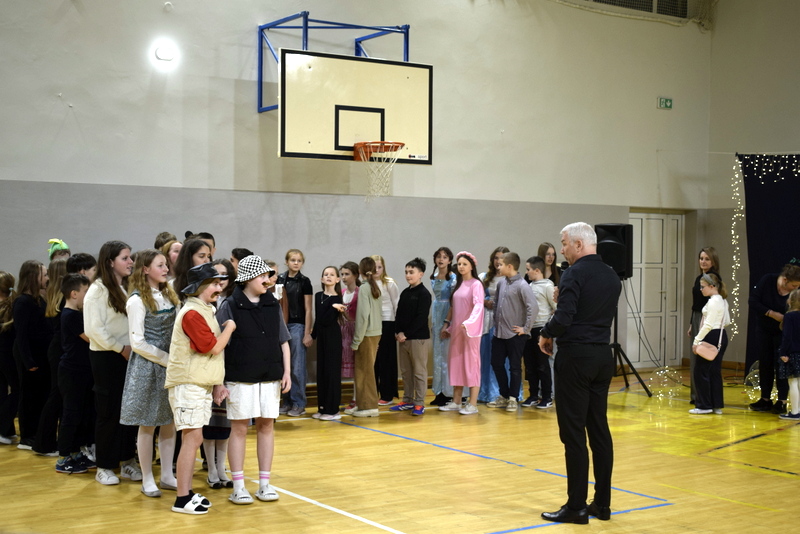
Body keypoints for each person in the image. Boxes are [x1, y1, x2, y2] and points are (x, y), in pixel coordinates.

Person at [538, 222, 621, 524]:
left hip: (576, 358)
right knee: (599, 430)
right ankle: (602, 504)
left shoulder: (574, 273)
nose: (561, 250)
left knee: (573, 434)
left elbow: (565, 318)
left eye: (564, 243)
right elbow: (590, 311)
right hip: (602, 356)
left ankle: (576, 507)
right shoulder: (612, 275)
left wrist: (546, 333)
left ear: (578, 244)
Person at [216, 255, 290, 505]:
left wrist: (287, 372)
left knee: (266, 426)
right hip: (239, 377)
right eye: (263, 276)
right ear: (248, 278)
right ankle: (238, 486)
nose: (268, 280)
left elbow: (283, 340)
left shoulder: (273, 304)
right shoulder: (229, 305)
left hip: (270, 376)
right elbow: (220, 346)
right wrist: (219, 381)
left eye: (269, 276)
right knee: (238, 428)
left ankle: (264, 484)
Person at [165, 263, 235, 514]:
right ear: (199, 287)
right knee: (192, 438)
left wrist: (217, 383)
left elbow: (208, 353)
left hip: (199, 383)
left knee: (193, 438)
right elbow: (213, 347)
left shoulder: (204, 309)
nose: (219, 287)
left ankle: (186, 492)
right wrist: (230, 327)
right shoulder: (191, 313)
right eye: (214, 283)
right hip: (188, 384)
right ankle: (181, 498)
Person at [120, 249, 179, 497]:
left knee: (169, 421)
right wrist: (167, 359)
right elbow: (138, 343)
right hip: (148, 366)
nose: (166, 269)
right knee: (148, 424)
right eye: (160, 265)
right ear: (145, 269)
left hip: (170, 367)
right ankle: (147, 478)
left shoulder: (169, 294)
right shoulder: (136, 300)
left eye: (166, 265)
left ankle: (166, 475)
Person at [83, 241, 140, 485]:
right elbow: (94, 330)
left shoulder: (124, 287)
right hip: (107, 357)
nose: (130, 262)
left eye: (130, 257)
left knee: (129, 411)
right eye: (125, 258)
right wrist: (120, 348)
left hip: (128, 355)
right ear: (110, 262)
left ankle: (127, 461)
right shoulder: (97, 290)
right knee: (108, 413)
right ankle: (104, 466)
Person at [54, 273, 95, 474]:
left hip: (82, 371)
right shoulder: (70, 315)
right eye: (86, 291)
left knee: (81, 414)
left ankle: (76, 453)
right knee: (71, 415)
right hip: (71, 372)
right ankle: (63, 458)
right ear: (74, 293)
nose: (88, 296)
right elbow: (91, 338)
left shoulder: (77, 314)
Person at [11, 260, 53, 451]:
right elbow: (21, 335)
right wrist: (28, 361)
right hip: (30, 356)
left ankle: (37, 432)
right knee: (29, 396)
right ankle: (27, 436)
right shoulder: (23, 301)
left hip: (41, 355)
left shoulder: (38, 299)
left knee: (39, 396)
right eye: (44, 275)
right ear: (33, 277)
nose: (47, 278)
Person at [748, 263, 800, 414]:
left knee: (782, 365)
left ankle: (782, 401)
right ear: (785, 280)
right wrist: (771, 313)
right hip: (764, 329)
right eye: (794, 285)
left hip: (783, 333)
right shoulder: (768, 280)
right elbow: (753, 301)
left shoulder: (794, 294)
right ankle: (765, 399)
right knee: (765, 363)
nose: (795, 289)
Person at [489, 252, 537, 412]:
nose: (498, 266)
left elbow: (533, 307)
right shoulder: (501, 283)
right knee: (496, 363)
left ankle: (513, 398)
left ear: (509, 266)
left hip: (515, 334)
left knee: (515, 367)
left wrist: (526, 328)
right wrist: (496, 322)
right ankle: (504, 395)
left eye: (501, 264)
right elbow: (496, 303)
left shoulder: (523, 285)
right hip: (499, 333)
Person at [440, 252, 484, 415]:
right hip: (458, 332)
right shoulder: (458, 285)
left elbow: (478, 306)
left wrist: (469, 323)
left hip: (470, 332)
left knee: (471, 365)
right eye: (459, 264)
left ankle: (473, 403)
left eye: (464, 264)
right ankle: (457, 401)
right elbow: (456, 310)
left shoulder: (476, 285)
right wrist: (450, 327)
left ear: (472, 266)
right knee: (456, 364)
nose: (461, 267)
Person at [33, 258, 68, 456]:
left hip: (57, 348)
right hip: (59, 348)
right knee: (56, 396)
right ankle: (44, 443)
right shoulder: (61, 295)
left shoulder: (52, 293)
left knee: (57, 395)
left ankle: (48, 442)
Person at [390, 258, 432, 416]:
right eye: (406, 272)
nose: (408, 275)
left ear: (421, 274)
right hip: (403, 339)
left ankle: (419, 403)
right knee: (406, 372)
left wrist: (406, 333)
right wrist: (398, 332)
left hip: (417, 339)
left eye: (411, 272)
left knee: (419, 372)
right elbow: (399, 315)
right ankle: (407, 400)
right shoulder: (405, 293)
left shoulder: (424, 294)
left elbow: (421, 318)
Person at [276, 249, 313, 417]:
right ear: (286, 262)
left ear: (302, 263)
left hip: (298, 325)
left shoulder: (305, 281)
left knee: (297, 366)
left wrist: (307, 332)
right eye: (293, 260)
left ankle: (299, 403)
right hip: (283, 325)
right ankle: (287, 401)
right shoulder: (279, 279)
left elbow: (308, 309)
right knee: (285, 366)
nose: (296, 263)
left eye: (299, 260)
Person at [346, 257, 383, 418]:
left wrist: (356, 340)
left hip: (366, 335)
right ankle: (362, 404)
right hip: (375, 333)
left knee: (365, 371)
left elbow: (362, 317)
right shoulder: (375, 287)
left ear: (360, 271)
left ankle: (369, 406)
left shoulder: (364, 288)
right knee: (364, 370)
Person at [690, 273, 729, 415]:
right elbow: (727, 321)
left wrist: (696, 341)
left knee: (701, 371)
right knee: (714, 371)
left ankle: (704, 405)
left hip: (711, 335)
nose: (701, 290)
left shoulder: (713, 302)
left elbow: (708, 324)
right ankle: (716, 404)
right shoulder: (722, 300)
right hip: (721, 335)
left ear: (712, 286)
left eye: (703, 287)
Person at [687, 247, 721, 404]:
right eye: (701, 258)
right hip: (697, 316)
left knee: (703, 357)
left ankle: (704, 396)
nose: (703, 261)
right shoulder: (699, 278)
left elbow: (712, 303)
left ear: (713, 261)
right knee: (695, 357)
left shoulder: (713, 278)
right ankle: (697, 395)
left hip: (706, 318)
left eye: (707, 259)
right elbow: (696, 303)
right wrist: (691, 323)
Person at [523, 256, 556, 409]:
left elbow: (556, 308)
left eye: (528, 269)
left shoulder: (548, 286)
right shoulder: (529, 286)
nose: (526, 272)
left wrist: (549, 329)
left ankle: (547, 396)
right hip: (529, 329)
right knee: (530, 365)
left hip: (542, 329)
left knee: (543, 365)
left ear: (537, 270)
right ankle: (533, 395)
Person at [312, 266, 344, 421]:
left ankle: (333, 410)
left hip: (332, 337)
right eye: (326, 274)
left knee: (332, 373)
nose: (328, 276)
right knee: (322, 372)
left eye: (332, 274)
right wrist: (312, 336)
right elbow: (319, 318)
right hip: (322, 338)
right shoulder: (318, 296)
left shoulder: (338, 298)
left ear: (337, 279)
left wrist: (332, 307)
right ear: (322, 279)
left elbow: (326, 320)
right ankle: (323, 407)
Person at [478, 247, 508, 404]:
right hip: (487, 320)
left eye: (502, 258)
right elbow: (475, 297)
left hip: (504, 320)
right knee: (486, 355)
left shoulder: (510, 278)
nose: (498, 261)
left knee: (502, 358)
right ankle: (486, 391)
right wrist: (485, 302)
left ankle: (503, 392)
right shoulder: (485, 277)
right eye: (496, 257)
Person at [371, 255, 400, 406]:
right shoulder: (366, 284)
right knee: (374, 360)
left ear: (383, 268)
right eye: (374, 267)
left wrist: (397, 328)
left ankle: (387, 394)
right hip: (372, 324)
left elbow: (396, 305)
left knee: (386, 360)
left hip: (387, 322)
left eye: (379, 267)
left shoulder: (389, 283)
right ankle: (372, 393)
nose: (377, 270)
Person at [430, 247, 457, 406]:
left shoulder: (453, 278)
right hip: (436, 314)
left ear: (450, 260)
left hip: (448, 314)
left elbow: (454, 302)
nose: (441, 259)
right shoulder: (434, 277)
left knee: (446, 355)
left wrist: (447, 323)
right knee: (437, 355)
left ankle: (449, 392)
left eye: (445, 257)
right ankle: (439, 391)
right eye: (438, 256)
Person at [0, 271, 18, 445]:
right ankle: (3, 427)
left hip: (6, 355)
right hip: (8, 356)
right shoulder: (13, 306)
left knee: (4, 392)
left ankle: (7, 429)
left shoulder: (11, 306)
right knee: (17, 391)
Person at [339, 261, 360, 410]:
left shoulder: (360, 293)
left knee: (357, 366)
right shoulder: (341, 293)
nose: (344, 277)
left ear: (355, 275)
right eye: (342, 274)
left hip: (354, 330)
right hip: (342, 330)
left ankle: (356, 397)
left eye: (347, 274)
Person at [778, 288, 800, 420]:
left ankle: (795, 411)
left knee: (792, 382)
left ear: (791, 301)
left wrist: (783, 352)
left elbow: (787, 336)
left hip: (792, 353)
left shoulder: (790, 316)